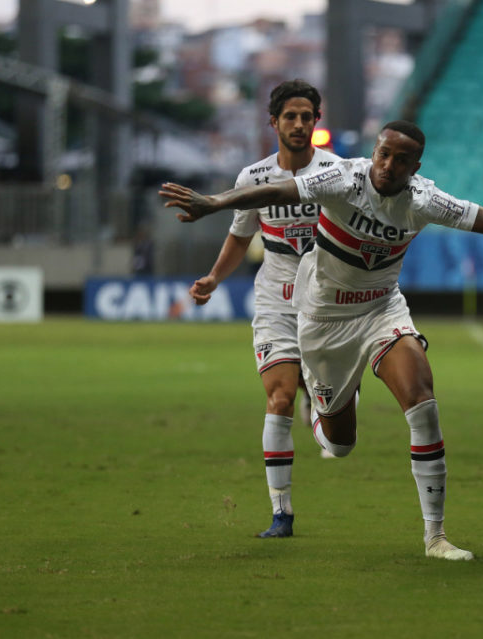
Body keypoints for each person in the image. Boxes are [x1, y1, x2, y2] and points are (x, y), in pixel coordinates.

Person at [160, 120, 483, 561]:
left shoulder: (424, 199)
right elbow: (275, 192)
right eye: (383, 154)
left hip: (382, 309)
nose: (388, 165)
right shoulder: (342, 179)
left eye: (400, 160)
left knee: (423, 399)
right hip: (324, 321)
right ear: (375, 151)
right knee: (339, 444)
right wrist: (213, 202)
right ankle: (325, 407)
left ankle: (436, 537)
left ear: (415, 166)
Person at [184, 80, 342, 538]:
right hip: (275, 298)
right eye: (289, 116)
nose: (298, 124)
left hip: (329, 303)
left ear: (316, 122)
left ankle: (326, 406)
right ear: (273, 123)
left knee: (336, 424)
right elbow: (240, 235)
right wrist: (215, 277)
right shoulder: (252, 178)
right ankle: (281, 512)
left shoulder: (337, 172)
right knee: (280, 398)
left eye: (306, 116)